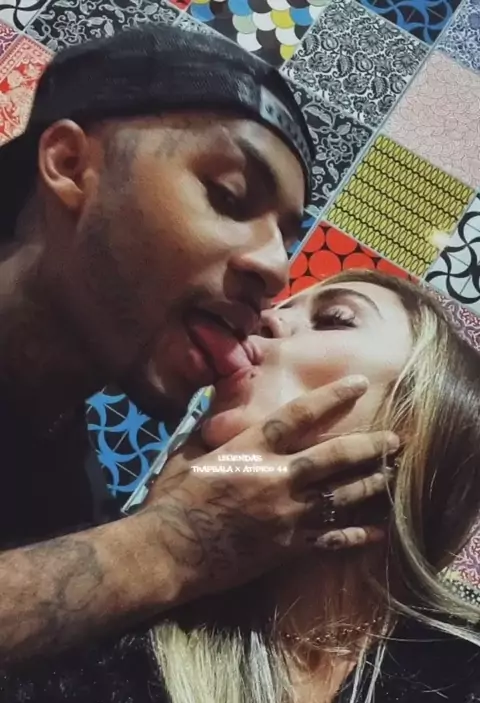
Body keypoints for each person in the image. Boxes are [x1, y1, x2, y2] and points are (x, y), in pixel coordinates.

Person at [1, 269, 479, 703]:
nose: (267, 318)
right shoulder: (94, 599)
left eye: (334, 319)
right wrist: (164, 542)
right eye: (282, 306)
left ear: (421, 426)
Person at [0, 24, 396, 663]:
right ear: (70, 165)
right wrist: (171, 546)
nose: (277, 273)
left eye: (285, 238)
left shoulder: (69, 496)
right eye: (229, 196)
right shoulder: (144, 542)